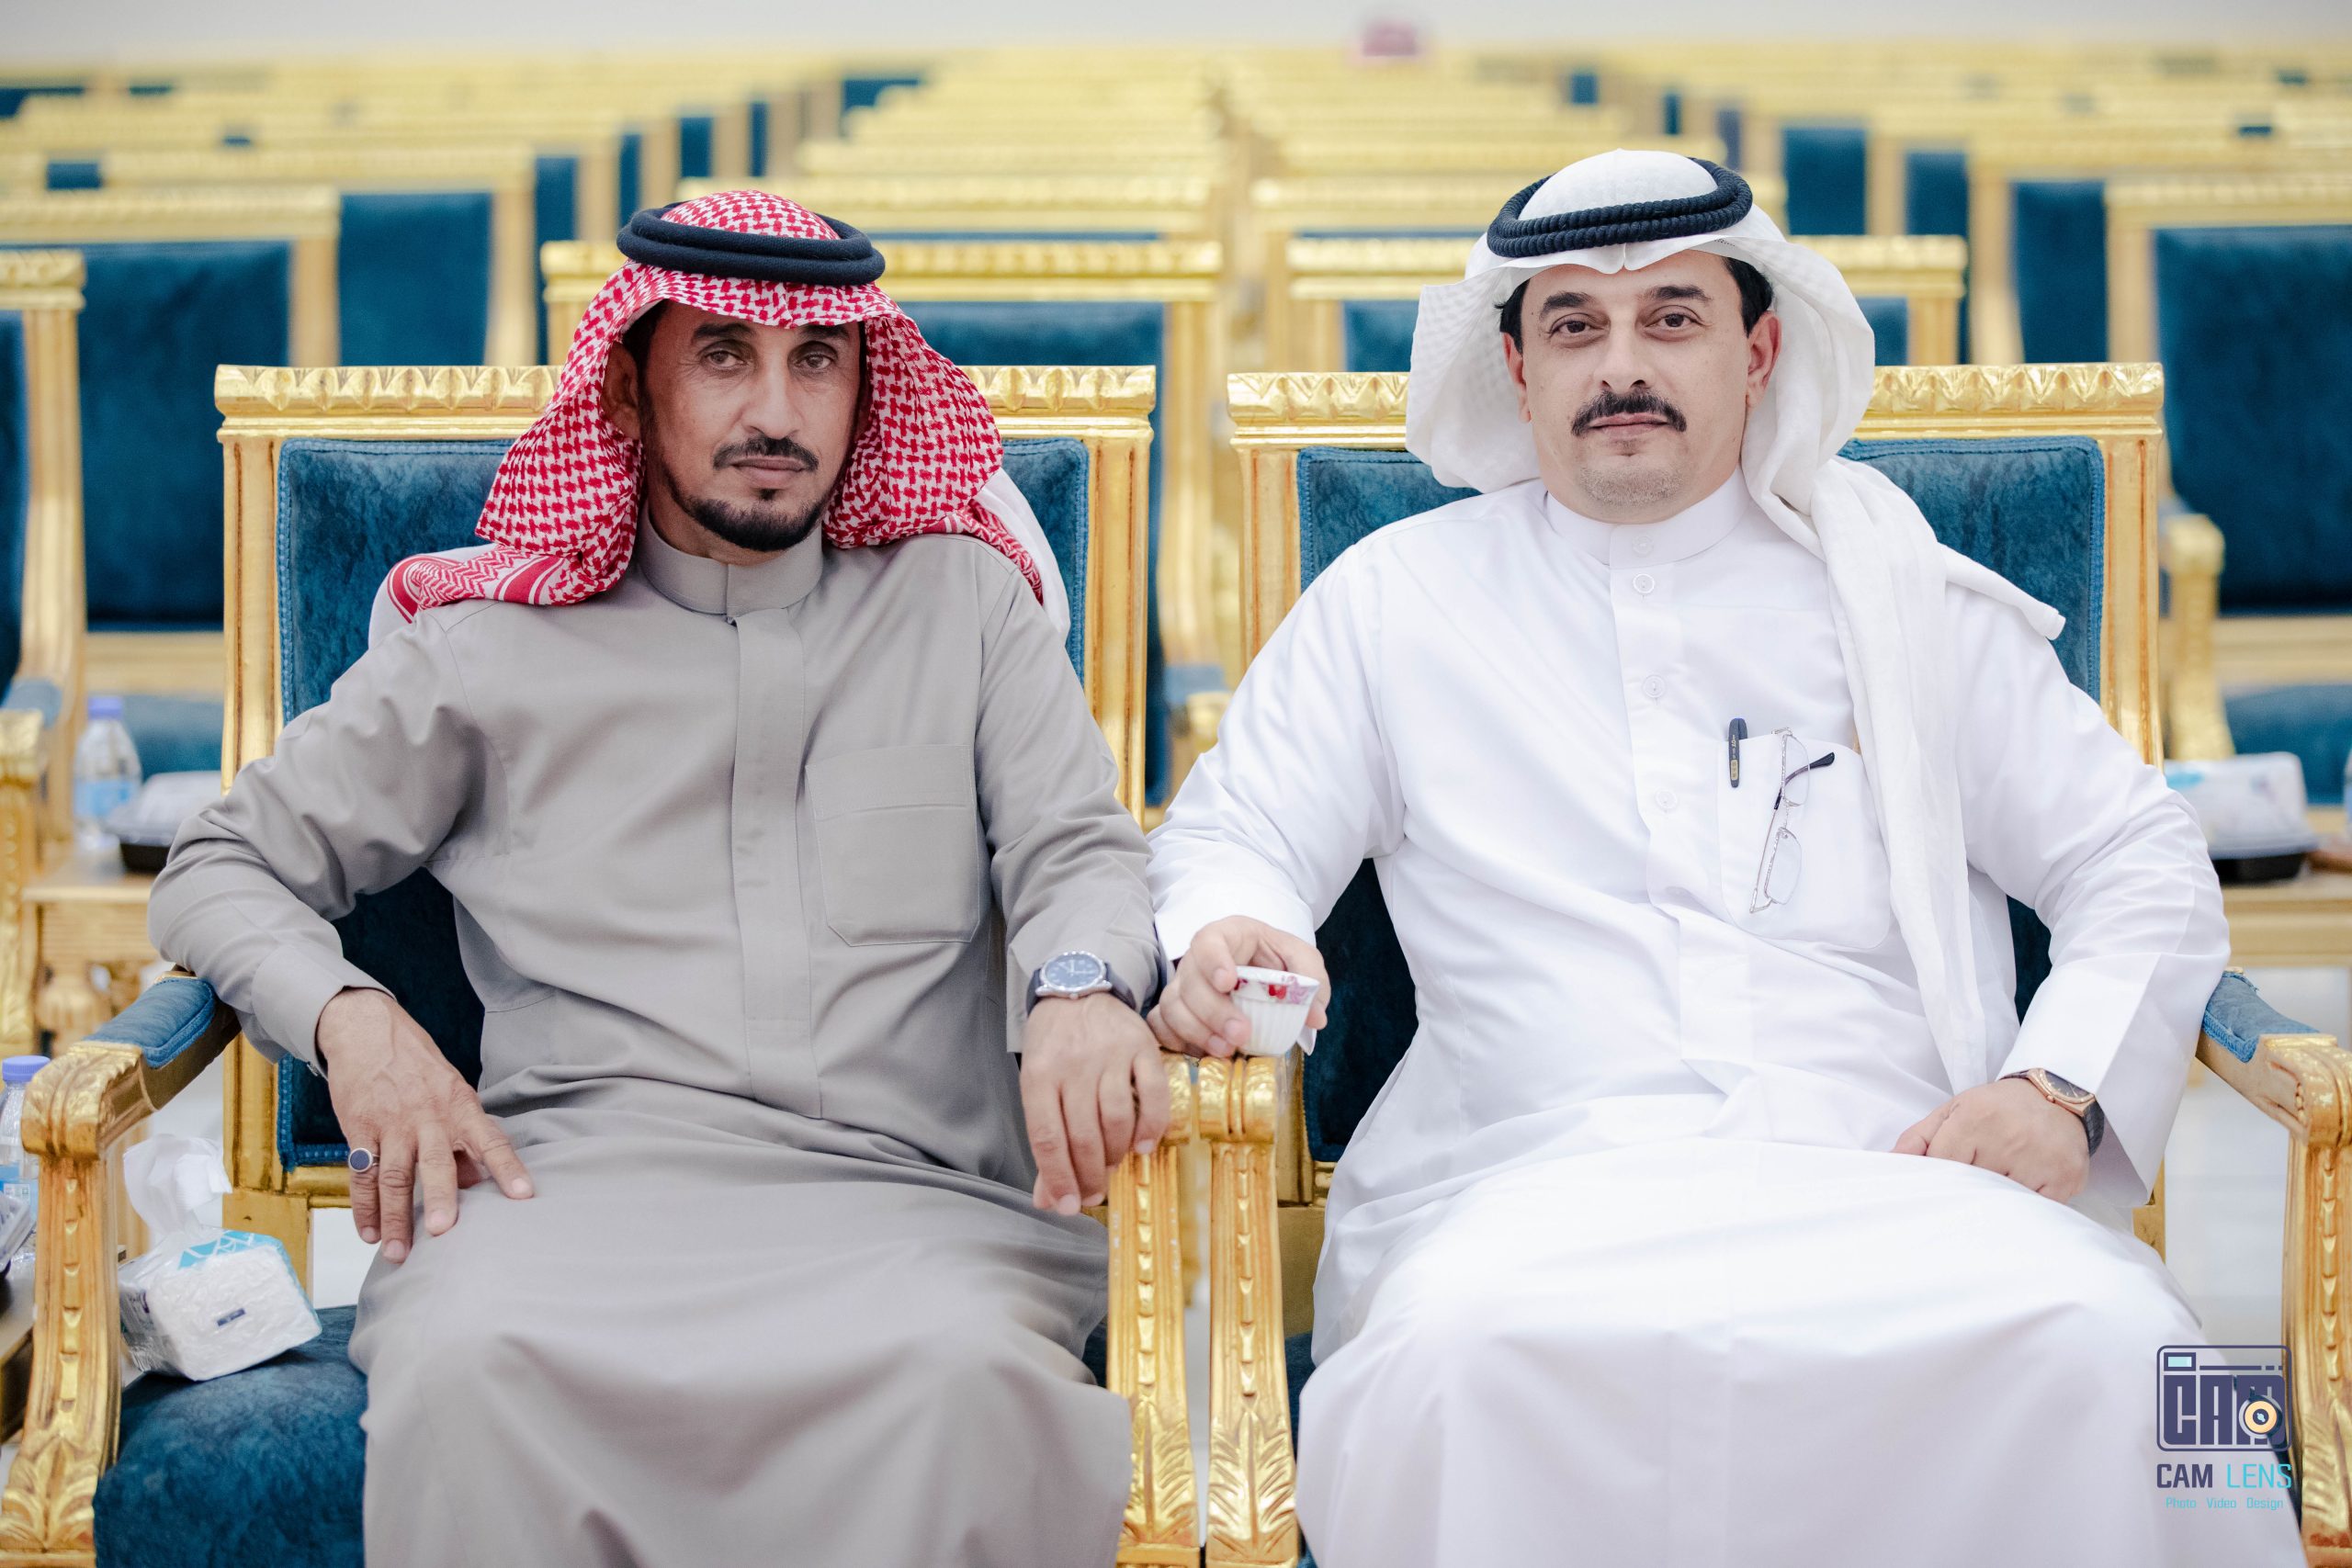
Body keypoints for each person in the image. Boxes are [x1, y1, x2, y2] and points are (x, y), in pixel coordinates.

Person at [1145, 152, 2296, 1567]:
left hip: (1901, 1178)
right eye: (1575, 325)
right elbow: (1235, 832)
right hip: (1524, 1190)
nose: (1621, 366)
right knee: (1453, 1362)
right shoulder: (1397, 603)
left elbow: (2137, 853)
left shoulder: (1900, 595)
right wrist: (1233, 926)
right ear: (1517, 369)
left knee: (2137, 1354)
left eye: (1672, 318)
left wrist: (2059, 1089)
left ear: (1758, 352)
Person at [149, 190, 1166, 1568]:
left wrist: (1082, 985)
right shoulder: (490, 648)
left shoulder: (965, 604)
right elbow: (220, 861)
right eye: (724, 357)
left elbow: (1080, 852)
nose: (777, 413)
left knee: (964, 1379)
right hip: (567, 1200)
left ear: (866, 391)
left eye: (817, 362)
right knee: (474, 1365)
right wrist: (350, 1020)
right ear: (629, 390)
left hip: (918, 1206)